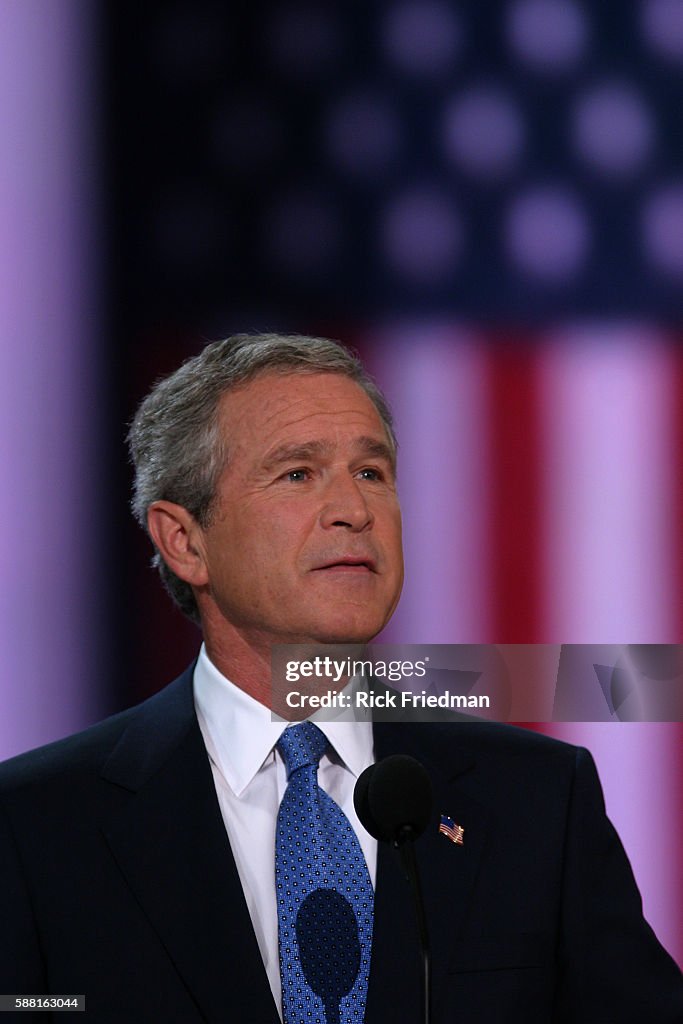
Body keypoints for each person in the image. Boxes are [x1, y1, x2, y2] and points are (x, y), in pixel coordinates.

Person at [0, 333, 681, 1023]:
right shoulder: (35, 825)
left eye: (371, 473)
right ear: (184, 540)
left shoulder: (535, 801)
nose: (354, 510)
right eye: (297, 473)